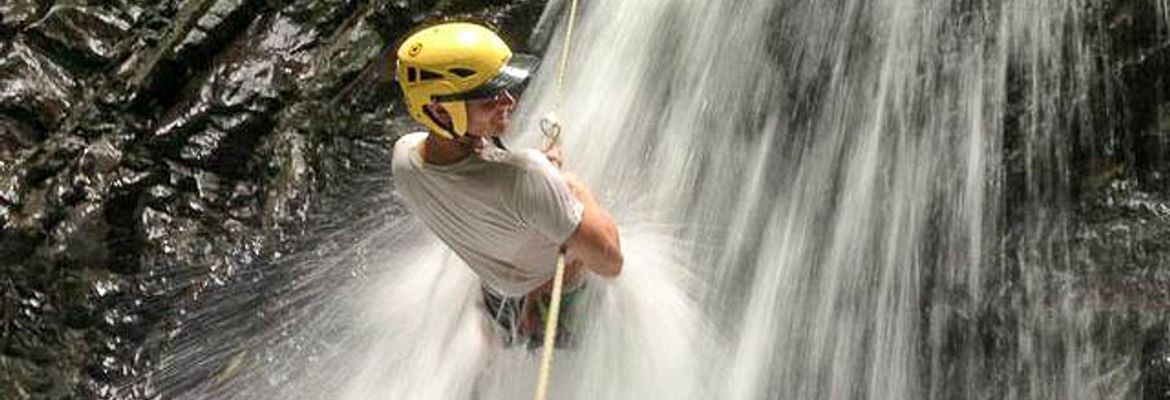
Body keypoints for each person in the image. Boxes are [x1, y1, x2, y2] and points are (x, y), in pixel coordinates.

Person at [389, 21, 623, 347]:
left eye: (506, 89)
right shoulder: (526, 179)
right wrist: (568, 186)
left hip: (499, 299)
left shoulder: (404, 160)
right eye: (490, 96)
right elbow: (610, 261)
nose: (509, 101)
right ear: (439, 110)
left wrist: (539, 176)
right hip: (563, 306)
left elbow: (484, 186)